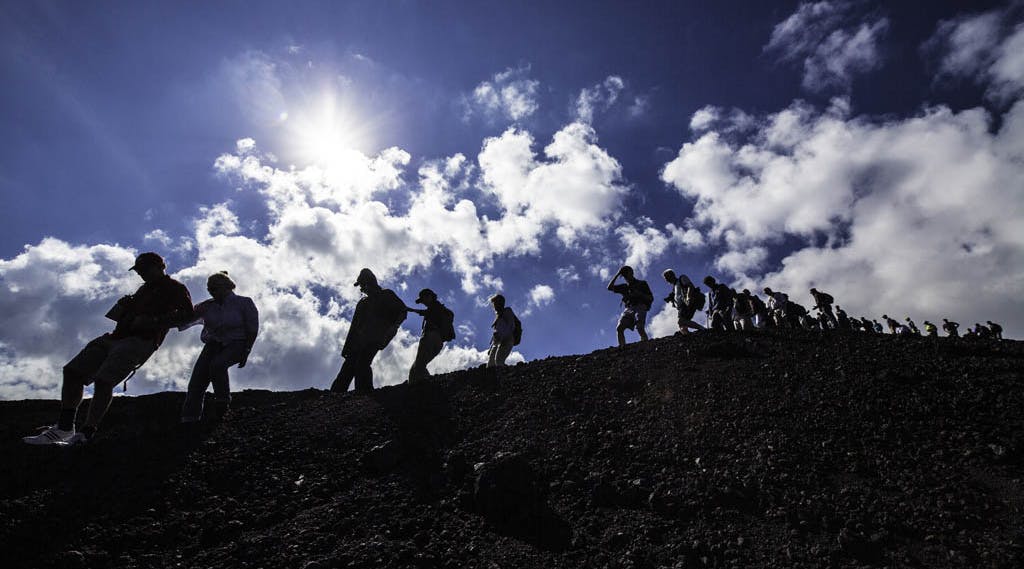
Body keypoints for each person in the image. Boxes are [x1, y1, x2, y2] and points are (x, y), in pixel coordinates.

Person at [24, 252, 194, 445]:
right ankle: (64, 428)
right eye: (138, 271)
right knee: (72, 371)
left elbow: (188, 316)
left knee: (104, 381)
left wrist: (153, 321)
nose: (140, 274)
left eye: (144, 270)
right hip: (115, 337)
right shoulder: (143, 289)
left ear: (158, 267)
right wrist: (125, 308)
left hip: (140, 341)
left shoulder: (175, 288)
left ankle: (85, 434)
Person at [180, 272, 259, 423]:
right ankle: (189, 418)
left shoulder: (244, 302)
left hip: (238, 342)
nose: (212, 291)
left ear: (226, 287)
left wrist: (247, 350)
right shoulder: (207, 306)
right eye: (210, 289)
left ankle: (222, 403)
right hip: (213, 344)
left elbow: (252, 328)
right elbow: (187, 318)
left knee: (218, 365)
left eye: (215, 288)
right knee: (197, 380)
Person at [330, 269, 406, 393]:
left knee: (362, 365)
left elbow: (402, 311)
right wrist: (347, 347)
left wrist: (393, 328)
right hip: (358, 342)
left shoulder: (386, 295)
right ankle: (334, 396)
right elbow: (353, 327)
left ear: (368, 283)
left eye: (361, 285)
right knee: (347, 368)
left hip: (375, 338)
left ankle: (364, 393)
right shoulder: (362, 303)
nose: (361, 289)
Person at [406, 288, 454, 382]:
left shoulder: (436, 308)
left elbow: (428, 312)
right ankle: (421, 384)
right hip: (438, 341)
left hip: (430, 337)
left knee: (419, 366)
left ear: (430, 296)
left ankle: (421, 387)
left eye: (423, 299)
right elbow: (429, 312)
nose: (423, 303)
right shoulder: (440, 309)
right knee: (418, 366)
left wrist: (412, 310)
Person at [609, 266, 654, 346]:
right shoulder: (624, 287)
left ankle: (646, 346)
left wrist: (640, 294)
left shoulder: (642, 283)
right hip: (629, 308)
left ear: (632, 273)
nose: (626, 276)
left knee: (639, 327)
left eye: (627, 273)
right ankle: (622, 348)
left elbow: (651, 298)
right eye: (624, 274)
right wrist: (617, 273)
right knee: (619, 328)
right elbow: (610, 287)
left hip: (641, 306)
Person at [662, 270, 704, 335]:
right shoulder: (674, 287)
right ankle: (688, 337)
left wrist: (688, 297)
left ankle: (702, 329)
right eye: (665, 278)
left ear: (671, 275)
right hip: (681, 307)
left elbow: (690, 286)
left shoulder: (682, 278)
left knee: (681, 321)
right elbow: (676, 295)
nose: (666, 280)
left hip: (686, 303)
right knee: (682, 325)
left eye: (666, 277)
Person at [487, 294, 517, 367]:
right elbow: (496, 333)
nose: (494, 306)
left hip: (507, 340)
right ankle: (493, 377)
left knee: (498, 360)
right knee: (490, 364)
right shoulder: (498, 315)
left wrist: (504, 338)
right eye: (494, 304)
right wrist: (491, 348)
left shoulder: (507, 311)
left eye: (495, 303)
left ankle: (505, 376)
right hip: (497, 342)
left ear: (500, 303)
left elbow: (511, 326)